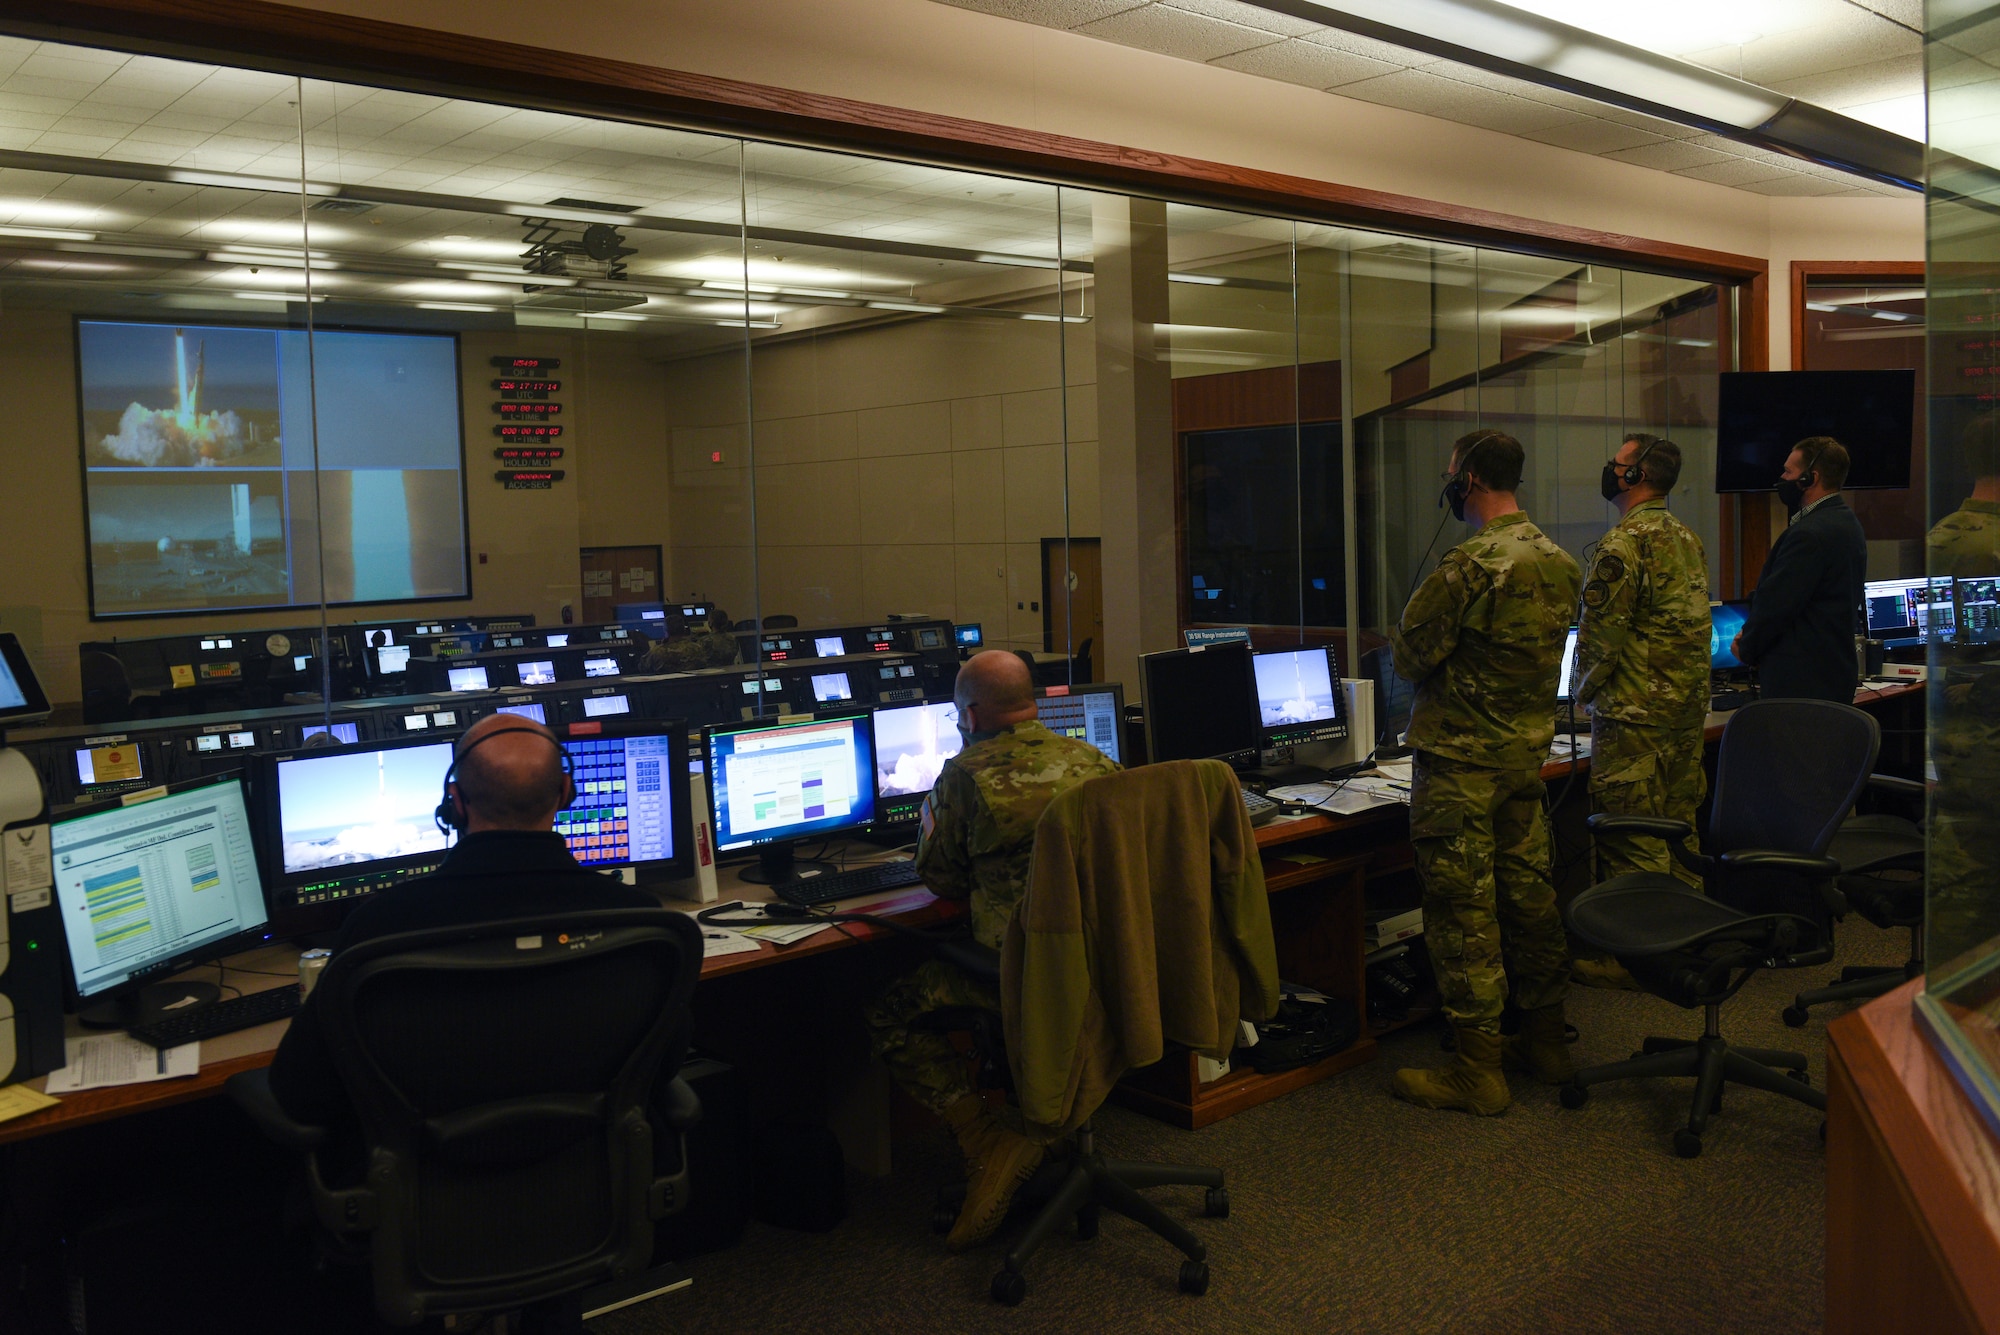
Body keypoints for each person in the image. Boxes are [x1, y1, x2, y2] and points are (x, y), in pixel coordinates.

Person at [268, 713, 658, 1333]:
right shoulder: (637, 921)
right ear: (565, 793)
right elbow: (661, 1074)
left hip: (419, 1208)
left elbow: (298, 1097)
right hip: (578, 1191)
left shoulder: (385, 927)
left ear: (453, 799)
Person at [861, 649, 1118, 1249]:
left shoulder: (966, 775)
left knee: (886, 1010)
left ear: (971, 716)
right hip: (1103, 968)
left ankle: (987, 1141)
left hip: (1020, 974)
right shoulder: (1095, 761)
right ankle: (1041, 1127)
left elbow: (942, 879)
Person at [1388, 429, 1581, 1114]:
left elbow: (1409, 656)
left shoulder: (1469, 567)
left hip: (1460, 769)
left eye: (1448, 474)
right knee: (1530, 899)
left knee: (1463, 912)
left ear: (1468, 481)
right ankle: (1547, 1041)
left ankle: (1478, 1069)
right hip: (1524, 762)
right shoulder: (1560, 561)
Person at [1569, 436, 1712, 989]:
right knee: (1679, 827)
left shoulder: (1621, 546)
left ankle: (1639, 960)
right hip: (1684, 711)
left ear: (1635, 477)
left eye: (1617, 464)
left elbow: (1600, 641)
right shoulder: (1686, 538)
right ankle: (1689, 944)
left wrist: (1578, 695)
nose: (1610, 471)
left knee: (1633, 835)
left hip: (1634, 716)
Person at [1928, 413, 2000, 968]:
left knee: (1964, 882)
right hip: (1990, 733)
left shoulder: (1942, 536)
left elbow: (1947, 641)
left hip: (1955, 735)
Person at [1731, 437, 1868, 703]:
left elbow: (1778, 605)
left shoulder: (1810, 535)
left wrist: (1746, 646)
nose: (1781, 478)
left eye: (1788, 472)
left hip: (1801, 683)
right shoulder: (1847, 522)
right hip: (1832, 676)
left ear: (1810, 478)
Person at [640, 605, 742, 673]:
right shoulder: (697, 649)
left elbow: (642, 667)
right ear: (684, 630)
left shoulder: (658, 652)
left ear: (666, 631)